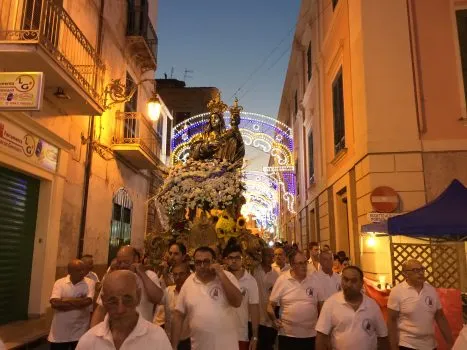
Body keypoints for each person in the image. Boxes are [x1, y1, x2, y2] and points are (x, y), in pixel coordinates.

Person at [76, 270, 171, 349]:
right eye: (113, 302)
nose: (120, 309)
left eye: (127, 300)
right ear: (104, 301)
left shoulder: (158, 338)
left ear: (138, 296)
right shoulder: (89, 341)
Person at [171, 246, 243, 350]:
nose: (202, 266)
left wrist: (221, 274)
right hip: (199, 346)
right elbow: (178, 314)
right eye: (198, 262)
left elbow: (237, 302)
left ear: (214, 262)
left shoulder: (228, 277)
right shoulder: (189, 282)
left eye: (206, 262)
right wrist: (173, 346)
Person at [315, 266, 389, 350]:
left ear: (361, 283)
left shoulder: (372, 306)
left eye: (353, 281)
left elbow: (383, 336)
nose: (349, 284)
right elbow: (321, 337)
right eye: (345, 280)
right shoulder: (330, 304)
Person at [387, 259, 454, 350]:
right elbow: (391, 320)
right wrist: (393, 347)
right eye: (416, 270)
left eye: (422, 269)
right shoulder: (397, 291)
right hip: (407, 344)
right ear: (405, 274)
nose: (421, 273)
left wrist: (452, 343)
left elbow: (440, 317)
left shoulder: (431, 290)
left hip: (430, 345)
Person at [91, 245, 163, 327]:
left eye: (126, 262)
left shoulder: (149, 275)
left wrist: (142, 273)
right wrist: (93, 332)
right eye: (119, 262)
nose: (122, 265)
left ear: (136, 259)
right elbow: (100, 309)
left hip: (142, 332)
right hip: (116, 331)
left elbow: (158, 298)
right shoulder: (113, 278)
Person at [268, 251, 320, 350]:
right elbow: (270, 305)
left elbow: (321, 304)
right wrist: (274, 320)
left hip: (311, 335)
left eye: (305, 262)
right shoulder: (282, 280)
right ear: (292, 265)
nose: (304, 266)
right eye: (300, 263)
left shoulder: (314, 279)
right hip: (288, 336)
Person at [48, 259, 95, 350]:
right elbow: (54, 303)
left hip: (80, 331)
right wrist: (79, 301)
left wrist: (66, 300)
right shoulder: (60, 283)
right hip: (60, 332)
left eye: (83, 269)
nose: (82, 272)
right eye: (78, 270)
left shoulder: (89, 282)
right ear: (69, 272)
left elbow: (87, 302)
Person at [224, 244, 260, 350]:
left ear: (242, 259)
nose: (234, 261)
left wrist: (255, 336)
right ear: (226, 260)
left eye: (237, 258)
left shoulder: (250, 281)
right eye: (231, 258)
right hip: (221, 333)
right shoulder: (221, 278)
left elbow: (254, 310)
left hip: (240, 333)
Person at [253, 247, 280, 350]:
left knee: (268, 345)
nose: (271, 258)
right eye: (268, 255)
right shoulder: (254, 270)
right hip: (256, 316)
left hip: (269, 317)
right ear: (262, 256)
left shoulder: (275, 274)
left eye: (272, 256)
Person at [163, 263, 192, 350]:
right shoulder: (168, 291)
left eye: (181, 274)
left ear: (188, 275)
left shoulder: (194, 293)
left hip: (187, 341)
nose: (178, 277)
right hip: (168, 339)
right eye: (175, 274)